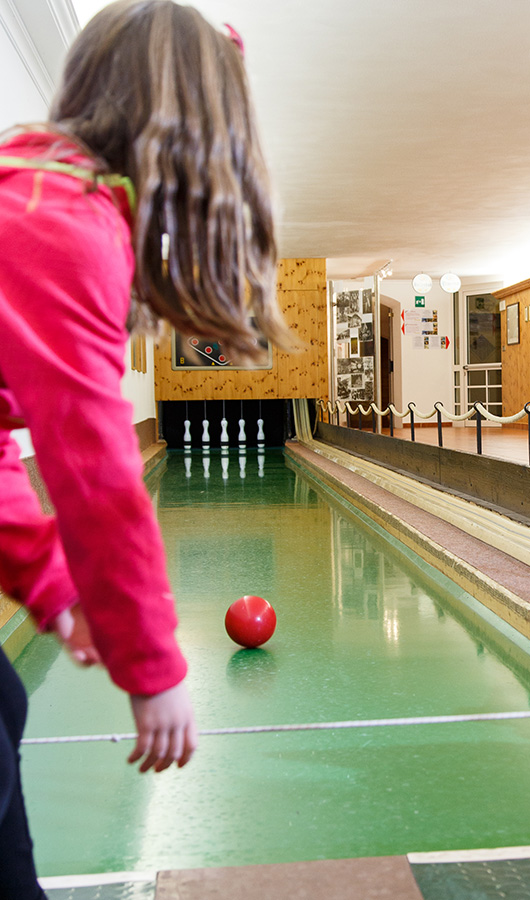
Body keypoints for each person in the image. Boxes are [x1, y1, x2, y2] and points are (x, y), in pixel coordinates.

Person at [0, 3, 290, 896]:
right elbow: (94, 471)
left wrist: (53, 588)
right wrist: (154, 664)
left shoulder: (32, 184)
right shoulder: (65, 222)